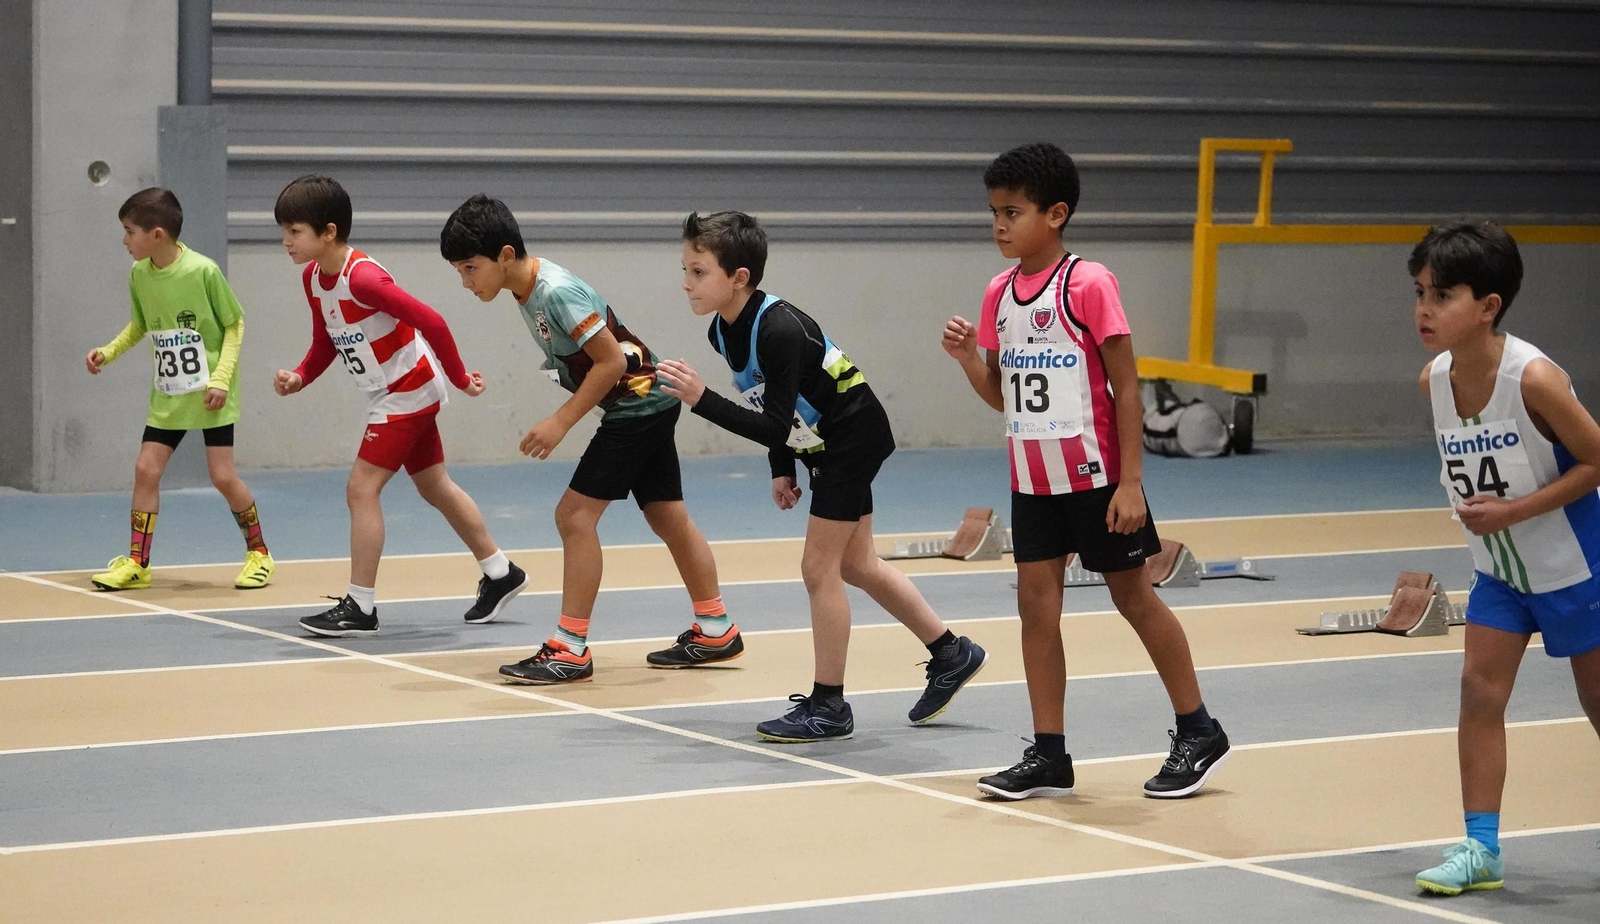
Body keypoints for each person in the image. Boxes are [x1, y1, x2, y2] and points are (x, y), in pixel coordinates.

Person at [941, 142, 1229, 799]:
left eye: (1013, 211)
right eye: (993, 212)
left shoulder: (1088, 285)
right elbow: (1003, 394)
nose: (999, 225)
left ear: (1057, 214)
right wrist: (967, 361)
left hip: (1098, 479)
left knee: (1134, 597)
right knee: (1035, 611)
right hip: (1032, 479)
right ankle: (1049, 753)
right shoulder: (999, 294)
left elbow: (1127, 387)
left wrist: (1132, 482)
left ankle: (1199, 728)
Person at [656, 209, 987, 742]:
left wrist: (701, 400)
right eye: (686, 269)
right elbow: (771, 404)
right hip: (822, 443)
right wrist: (782, 466)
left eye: (698, 272)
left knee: (818, 568)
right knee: (857, 563)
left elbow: (768, 417)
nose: (686, 283)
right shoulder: (723, 330)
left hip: (851, 439)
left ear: (739, 278)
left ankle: (830, 705)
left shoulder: (780, 328)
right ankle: (952, 652)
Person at [439, 194, 742, 683]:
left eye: (471, 268)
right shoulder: (524, 291)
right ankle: (716, 628)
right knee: (667, 515)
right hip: (650, 401)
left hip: (638, 405)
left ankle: (570, 647)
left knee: (574, 516)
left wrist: (560, 422)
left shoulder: (554, 291)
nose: (466, 281)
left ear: (506, 256)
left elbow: (613, 362)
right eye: (459, 271)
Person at [1410, 221, 1600, 896]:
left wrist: (1513, 512)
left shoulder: (1535, 379)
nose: (1425, 310)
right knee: (1478, 693)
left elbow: (1598, 461)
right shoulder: (1433, 380)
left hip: (1578, 567)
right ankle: (1481, 848)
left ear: (1489, 306)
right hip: (1499, 573)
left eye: (1443, 296)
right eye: (1419, 293)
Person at [271, 176, 526, 637]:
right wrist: (301, 377)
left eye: (295, 232)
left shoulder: (363, 278)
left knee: (360, 489)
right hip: (392, 391)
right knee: (434, 486)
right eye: (284, 232)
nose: (286, 242)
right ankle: (501, 572)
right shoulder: (313, 278)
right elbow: (325, 340)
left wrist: (461, 378)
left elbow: (431, 320)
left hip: (408, 389)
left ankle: (360, 607)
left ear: (329, 231)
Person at [86, 187, 275, 592]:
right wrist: (108, 352)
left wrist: (221, 377)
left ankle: (259, 553)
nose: (124, 240)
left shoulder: (202, 271)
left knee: (222, 477)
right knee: (145, 469)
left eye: (128, 231)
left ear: (156, 234)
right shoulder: (139, 274)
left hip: (210, 393)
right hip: (169, 393)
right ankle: (138, 562)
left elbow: (234, 324)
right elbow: (140, 325)